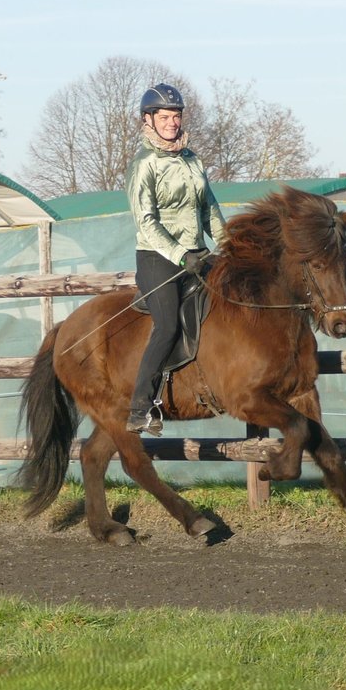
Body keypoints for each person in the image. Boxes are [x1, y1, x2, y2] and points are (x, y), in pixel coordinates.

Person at [124, 82, 227, 436]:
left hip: (196, 254)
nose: (172, 121)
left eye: (176, 115)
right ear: (148, 120)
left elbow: (208, 207)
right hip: (158, 258)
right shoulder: (143, 164)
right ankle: (140, 407)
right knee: (167, 326)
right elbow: (146, 221)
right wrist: (181, 255)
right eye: (165, 116)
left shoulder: (191, 159)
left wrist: (231, 245)